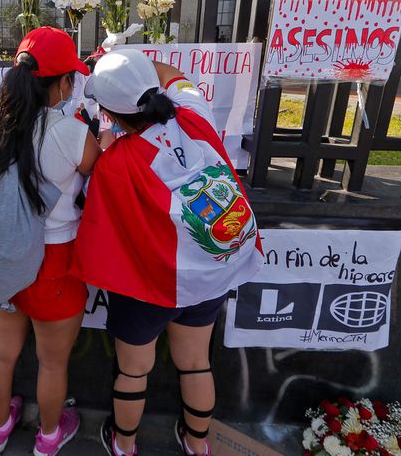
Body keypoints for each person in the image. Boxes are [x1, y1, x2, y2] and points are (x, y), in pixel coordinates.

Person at [70, 49, 264, 456]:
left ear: (110, 115)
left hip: (149, 284)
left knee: (133, 370)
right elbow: (175, 75)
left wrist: (105, 150)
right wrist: (123, 59)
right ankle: (197, 443)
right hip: (211, 271)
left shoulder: (115, 164)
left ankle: (124, 445)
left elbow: (93, 210)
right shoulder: (194, 111)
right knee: (195, 362)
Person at [0, 26, 101, 456]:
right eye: (71, 78)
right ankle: (50, 437)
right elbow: (98, 167)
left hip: (2, 259)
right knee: (52, 362)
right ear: (61, 83)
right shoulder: (72, 131)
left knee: (1, 353)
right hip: (55, 262)